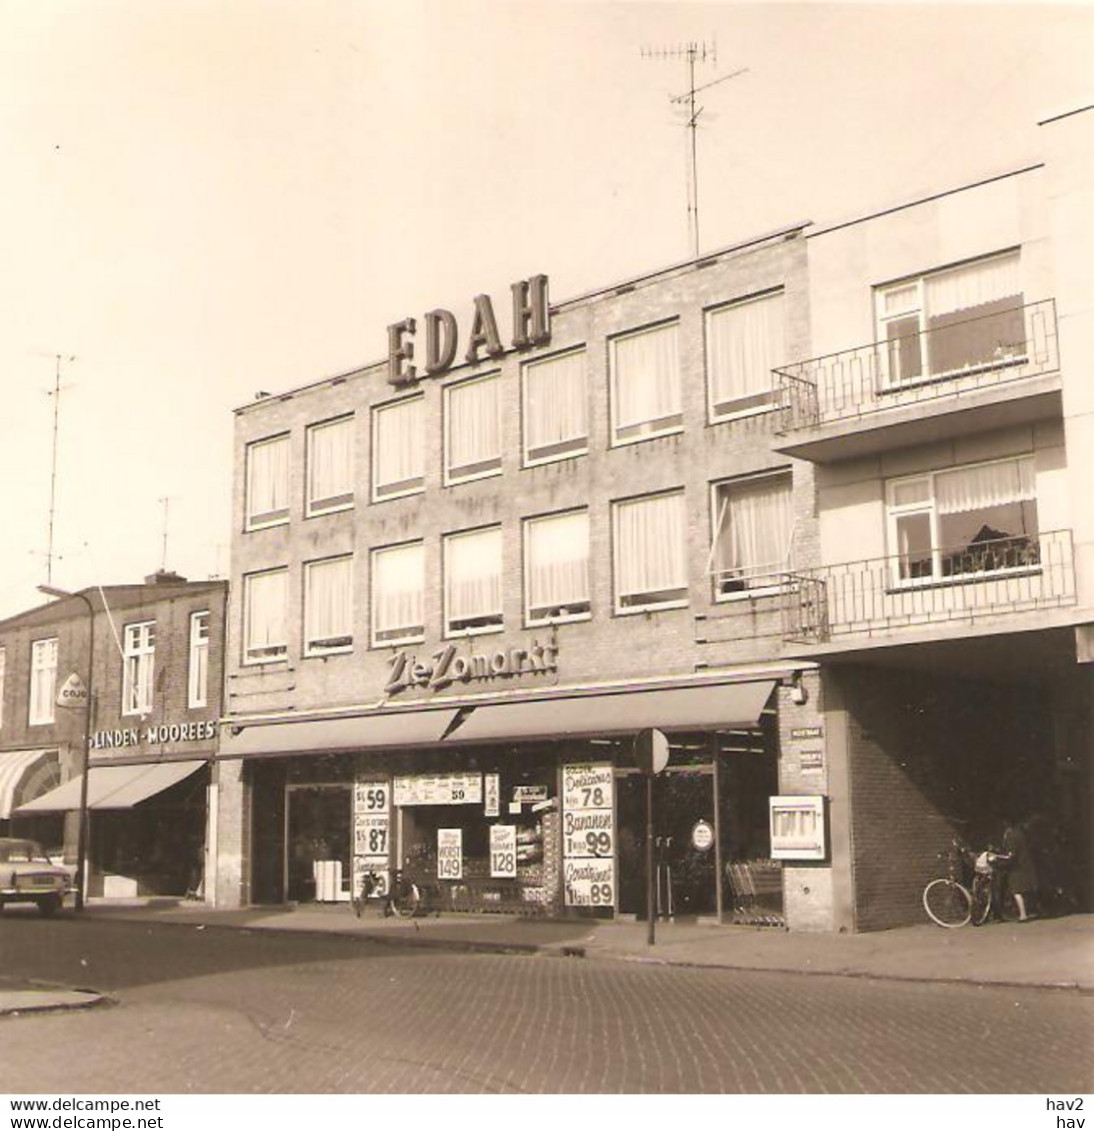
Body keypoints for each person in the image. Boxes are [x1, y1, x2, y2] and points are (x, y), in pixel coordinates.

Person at [1001, 816, 1038, 922]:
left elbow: (1011, 853)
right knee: (1024, 889)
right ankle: (1028, 911)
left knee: (1016, 890)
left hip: (1017, 867)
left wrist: (1000, 859)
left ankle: (1023, 914)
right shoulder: (1021, 833)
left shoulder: (1012, 835)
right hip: (1024, 864)